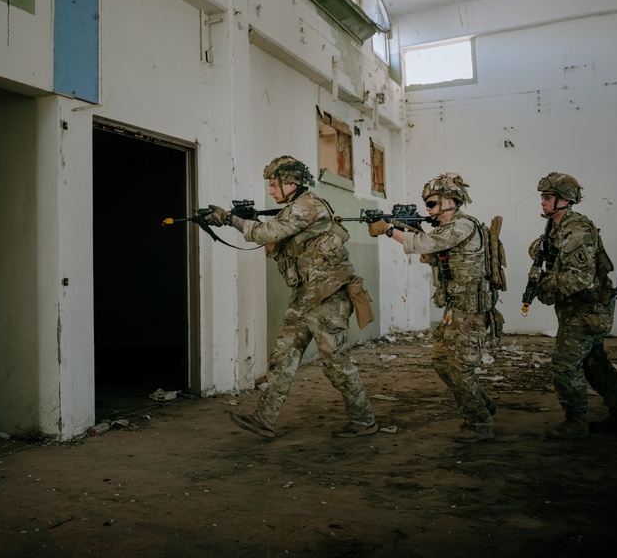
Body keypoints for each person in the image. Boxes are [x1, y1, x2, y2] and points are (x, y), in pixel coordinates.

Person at [204, 155, 378, 438]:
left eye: (274, 185)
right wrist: (249, 223)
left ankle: (363, 420)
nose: (271, 191)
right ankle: (264, 419)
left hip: (328, 297)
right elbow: (274, 243)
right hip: (305, 296)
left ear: (291, 183)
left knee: (335, 364)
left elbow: (268, 231)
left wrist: (230, 219)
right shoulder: (291, 210)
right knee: (283, 357)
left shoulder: (306, 205)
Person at [368, 173, 500, 443]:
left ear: (450, 202)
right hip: (455, 310)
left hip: (471, 313)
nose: (427, 210)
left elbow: (426, 245)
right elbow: (429, 253)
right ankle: (483, 405)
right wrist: (405, 227)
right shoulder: (445, 230)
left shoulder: (463, 226)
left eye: (431, 204)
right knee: (442, 363)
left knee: (460, 371)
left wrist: (389, 230)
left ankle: (480, 424)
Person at [528, 173, 617, 439]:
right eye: (542, 197)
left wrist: (545, 285)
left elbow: (581, 277)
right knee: (594, 362)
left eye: (547, 197)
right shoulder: (556, 227)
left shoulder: (576, 230)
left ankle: (576, 421)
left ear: (565, 200)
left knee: (564, 363)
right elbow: (543, 251)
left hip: (587, 308)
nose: (542, 202)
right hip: (578, 307)